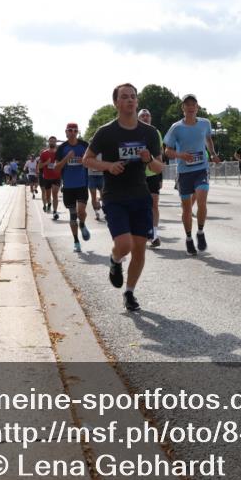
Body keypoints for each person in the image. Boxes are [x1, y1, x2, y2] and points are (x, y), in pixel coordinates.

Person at [82, 83, 164, 311]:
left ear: (137, 102)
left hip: (140, 195)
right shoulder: (106, 132)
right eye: (125, 97)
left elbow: (158, 167)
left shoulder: (148, 132)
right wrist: (108, 165)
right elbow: (87, 159)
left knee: (139, 249)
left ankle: (129, 292)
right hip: (115, 196)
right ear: (116, 103)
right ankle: (115, 260)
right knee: (124, 244)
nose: (130, 100)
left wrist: (148, 159)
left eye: (133, 97)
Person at [163, 94, 220, 255]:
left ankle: (200, 232)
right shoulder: (176, 127)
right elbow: (167, 150)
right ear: (183, 108)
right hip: (184, 172)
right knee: (187, 209)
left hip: (201, 169)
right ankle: (188, 238)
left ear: (197, 107)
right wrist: (182, 156)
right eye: (187, 105)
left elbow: (208, 139)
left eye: (193, 104)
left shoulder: (205, 123)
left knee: (202, 200)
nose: (190, 107)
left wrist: (213, 154)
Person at [55, 123, 91, 252]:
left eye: (75, 130)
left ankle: (82, 224)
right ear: (66, 132)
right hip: (68, 187)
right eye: (70, 130)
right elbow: (57, 167)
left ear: (77, 132)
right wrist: (66, 158)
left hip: (82, 184)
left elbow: (92, 161)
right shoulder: (62, 148)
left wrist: (84, 161)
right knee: (72, 215)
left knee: (81, 212)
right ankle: (76, 241)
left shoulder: (84, 145)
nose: (72, 132)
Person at [139, 108, 164, 247]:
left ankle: (154, 234)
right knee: (141, 206)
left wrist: (160, 176)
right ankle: (142, 232)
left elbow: (160, 155)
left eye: (147, 115)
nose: (145, 117)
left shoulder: (156, 132)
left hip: (153, 173)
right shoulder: (134, 130)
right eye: (142, 116)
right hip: (138, 174)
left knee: (154, 204)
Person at [39, 136, 61, 218]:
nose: (52, 142)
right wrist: (46, 163)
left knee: (55, 194)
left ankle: (55, 212)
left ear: (56, 142)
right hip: (47, 177)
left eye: (53, 141)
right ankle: (49, 203)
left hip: (56, 176)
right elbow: (39, 166)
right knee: (48, 196)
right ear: (49, 142)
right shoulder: (44, 153)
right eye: (51, 141)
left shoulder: (59, 153)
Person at [86, 148, 104, 223]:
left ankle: (105, 210)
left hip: (101, 176)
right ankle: (97, 213)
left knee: (103, 195)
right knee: (93, 195)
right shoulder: (87, 153)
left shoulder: (103, 152)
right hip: (91, 176)